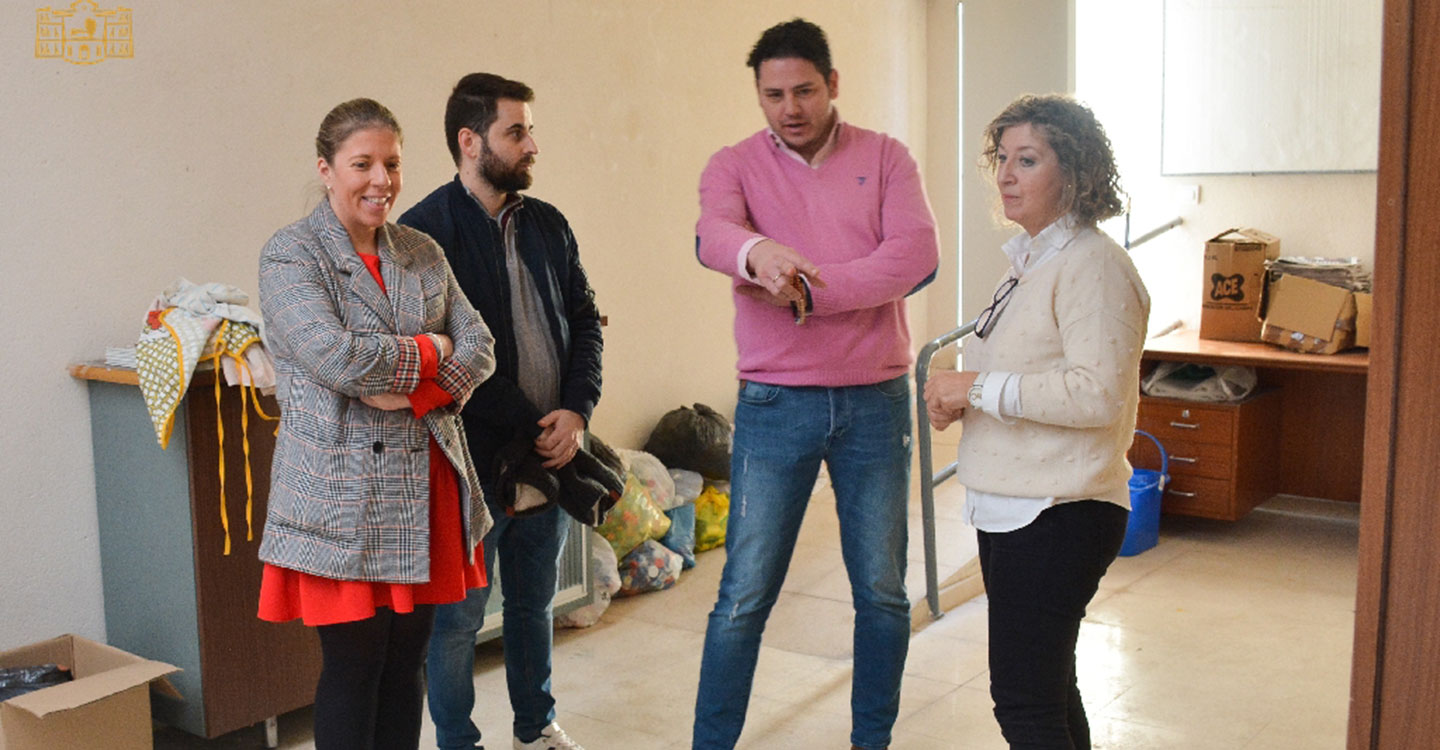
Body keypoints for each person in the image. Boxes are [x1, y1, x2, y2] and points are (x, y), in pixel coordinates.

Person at [691, 18, 940, 750]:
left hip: (875, 399)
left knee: (883, 594)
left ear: (833, 84)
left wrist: (807, 291)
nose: (789, 107)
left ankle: (873, 742)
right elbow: (712, 235)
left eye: (804, 90)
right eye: (773, 94)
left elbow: (915, 257)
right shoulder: (734, 164)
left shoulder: (887, 158)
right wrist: (759, 251)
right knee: (742, 597)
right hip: (775, 403)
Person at [255, 98, 496, 750]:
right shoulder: (290, 256)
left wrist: (415, 392)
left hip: (426, 482)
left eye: (391, 163)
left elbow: (479, 347)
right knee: (355, 664)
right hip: (341, 492)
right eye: (362, 164)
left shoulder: (420, 251)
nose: (381, 180)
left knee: (404, 661)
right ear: (327, 169)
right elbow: (339, 357)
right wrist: (429, 350)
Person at [923, 94, 1150, 749]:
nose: (1006, 175)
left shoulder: (1093, 265)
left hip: (1060, 510)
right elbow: (1028, 372)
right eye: (1002, 158)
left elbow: (1097, 394)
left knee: (1022, 700)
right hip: (1017, 505)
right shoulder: (1032, 262)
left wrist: (980, 387)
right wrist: (961, 397)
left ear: (1076, 175)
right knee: (1047, 689)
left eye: (1028, 159)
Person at [400, 73, 603, 750]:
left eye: (530, 129)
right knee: (456, 622)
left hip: (550, 451)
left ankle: (535, 727)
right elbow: (446, 356)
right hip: (469, 464)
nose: (532, 145)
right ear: (470, 141)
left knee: (531, 605)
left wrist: (574, 411)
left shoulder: (548, 225)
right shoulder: (422, 234)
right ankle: (458, 741)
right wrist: (531, 422)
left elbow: (585, 320)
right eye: (517, 131)